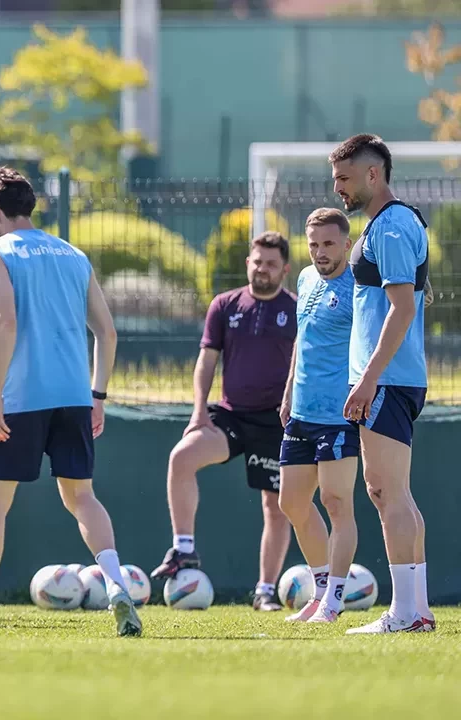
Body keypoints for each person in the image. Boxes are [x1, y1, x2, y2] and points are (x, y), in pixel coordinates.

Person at [0, 167, 141, 638]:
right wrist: (98, 395)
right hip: (74, 396)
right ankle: (115, 585)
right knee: (82, 497)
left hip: (21, 398)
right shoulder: (73, 255)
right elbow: (106, 332)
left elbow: (3, 322)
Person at [149, 232, 297, 612]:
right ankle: (184, 550)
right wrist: (199, 410)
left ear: (285, 269)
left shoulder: (296, 308)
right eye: (257, 261)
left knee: (276, 507)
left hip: (277, 421)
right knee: (182, 458)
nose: (262, 268)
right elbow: (206, 361)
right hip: (231, 415)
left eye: (270, 263)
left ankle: (265, 590)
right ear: (248, 262)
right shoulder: (224, 305)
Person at [329, 134, 433, 634]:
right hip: (394, 377)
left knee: (384, 491)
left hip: (387, 380)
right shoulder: (392, 225)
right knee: (398, 495)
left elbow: (404, 306)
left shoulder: (391, 226)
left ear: (374, 175)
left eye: (345, 179)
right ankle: (418, 609)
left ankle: (404, 613)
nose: (339, 190)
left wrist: (367, 380)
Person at [276, 208, 360, 624]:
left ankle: (337, 598)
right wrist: (289, 392)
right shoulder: (306, 279)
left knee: (335, 502)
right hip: (302, 412)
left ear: (346, 243)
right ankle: (321, 588)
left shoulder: (360, 286)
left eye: (328, 244)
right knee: (291, 501)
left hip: (339, 414)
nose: (320, 252)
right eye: (313, 244)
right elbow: (302, 339)